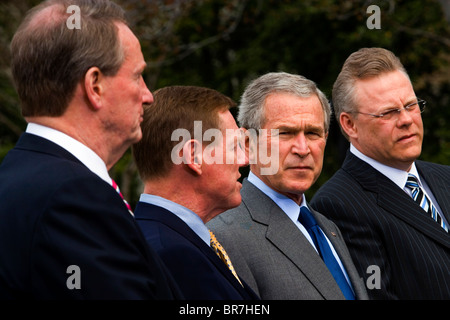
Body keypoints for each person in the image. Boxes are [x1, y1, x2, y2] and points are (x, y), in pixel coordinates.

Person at [0, 0, 182, 299]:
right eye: (137, 76)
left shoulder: (20, 176)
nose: (148, 96)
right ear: (94, 85)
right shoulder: (73, 198)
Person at [207, 72, 368, 300]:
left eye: (313, 133)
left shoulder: (327, 227)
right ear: (247, 143)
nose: (303, 149)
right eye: (285, 133)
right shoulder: (224, 235)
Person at [311, 47, 450, 300]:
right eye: (388, 113)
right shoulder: (338, 205)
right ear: (349, 125)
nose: (407, 119)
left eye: (411, 105)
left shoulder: (445, 177)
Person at [132, 85, 259, 300]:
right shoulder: (173, 255)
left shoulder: (162, 239)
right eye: (234, 147)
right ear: (194, 157)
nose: (244, 160)